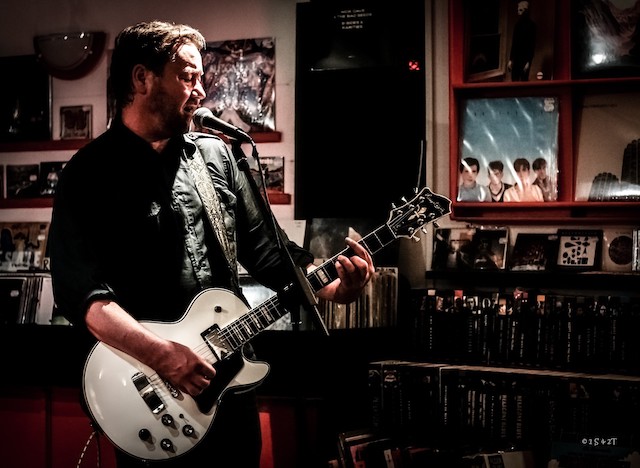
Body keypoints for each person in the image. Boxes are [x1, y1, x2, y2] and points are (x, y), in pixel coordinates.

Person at [48, 21, 375, 468]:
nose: (201, 92)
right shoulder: (88, 174)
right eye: (188, 77)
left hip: (231, 383)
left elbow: (269, 252)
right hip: (150, 391)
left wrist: (336, 287)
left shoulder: (215, 155)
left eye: (201, 78)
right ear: (142, 79)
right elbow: (81, 294)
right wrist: (162, 355)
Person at [508, 1, 536, 81]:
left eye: (520, 10)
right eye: (518, 10)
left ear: (526, 11)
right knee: (514, 80)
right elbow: (514, 43)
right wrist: (510, 60)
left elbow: (532, 46)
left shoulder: (532, 26)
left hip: (525, 59)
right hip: (516, 59)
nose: (518, 12)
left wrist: (528, 62)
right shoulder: (517, 25)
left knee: (524, 81)